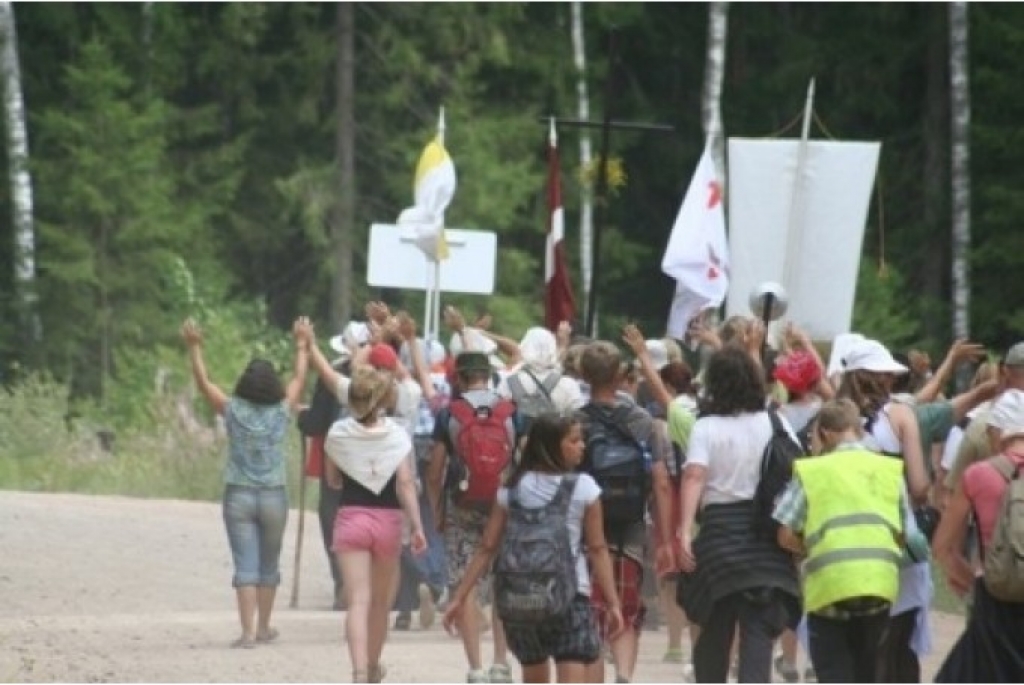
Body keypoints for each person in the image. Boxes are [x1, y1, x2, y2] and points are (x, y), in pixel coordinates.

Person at [442, 414, 625, 683]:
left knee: (533, 668)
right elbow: (597, 549)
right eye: (574, 440)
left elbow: (487, 547)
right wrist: (613, 603)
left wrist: (459, 597)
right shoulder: (583, 488)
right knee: (573, 659)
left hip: (521, 601)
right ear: (551, 445)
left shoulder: (512, 489)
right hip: (570, 597)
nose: (582, 446)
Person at [773, 399, 929, 683]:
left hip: (830, 587)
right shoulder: (889, 470)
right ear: (857, 429)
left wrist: (812, 547)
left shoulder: (812, 471)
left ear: (826, 434)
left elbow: (784, 533)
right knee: (868, 673)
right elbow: (904, 534)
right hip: (878, 587)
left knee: (834, 672)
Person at [180, 316, 308, 649]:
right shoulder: (282, 410)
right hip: (273, 495)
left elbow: (203, 382)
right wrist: (301, 343)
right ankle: (265, 626)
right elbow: (299, 377)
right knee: (269, 562)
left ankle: (248, 632)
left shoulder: (232, 409)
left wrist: (195, 347)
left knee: (244, 562)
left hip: (238, 493)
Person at [677, 345, 802, 684]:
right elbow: (800, 468)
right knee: (759, 629)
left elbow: (694, 476)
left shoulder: (706, 427)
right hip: (766, 535)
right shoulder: (776, 421)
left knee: (715, 624)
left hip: (719, 535)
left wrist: (684, 530)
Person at [575, 340, 675, 684]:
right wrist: (665, 538)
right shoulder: (643, 422)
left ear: (582, 375)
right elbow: (661, 481)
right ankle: (624, 675)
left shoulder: (574, 422)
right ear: (621, 375)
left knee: (591, 607)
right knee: (627, 606)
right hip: (632, 524)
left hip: (585, 528)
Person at [323, 365, 428, 683]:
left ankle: (356, 671)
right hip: (388, 522)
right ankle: (372, 665)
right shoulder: (396, 435)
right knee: (381, 603)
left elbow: (332, 480)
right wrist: (418, 526)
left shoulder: (338, 433)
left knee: (357, 600)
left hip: (351, 517)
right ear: (381, 400)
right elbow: (406, 484)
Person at [427, 350, 521, 683]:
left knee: (463, 583)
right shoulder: (511, 412)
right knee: (502, 584)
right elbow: (519, 462)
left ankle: (475, 667)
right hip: (503, 506)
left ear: (460, 378)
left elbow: (435, 472)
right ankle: (500, 663)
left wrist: (438, 511)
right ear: (489, 375)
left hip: (462, 506)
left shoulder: (448, 414)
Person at [931, 390, 1024, 681]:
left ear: (998, 432)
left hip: (996, 598)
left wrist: (971, 579)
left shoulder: (979, 474)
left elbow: (942, 547)